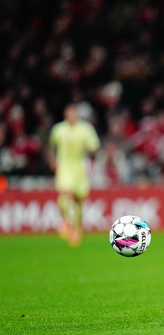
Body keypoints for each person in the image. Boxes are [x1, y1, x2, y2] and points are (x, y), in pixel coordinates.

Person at [49, 104, 101, 246]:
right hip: (65, 167)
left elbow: (95, 147)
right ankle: (66, 220)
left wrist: (87, 148)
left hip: (80, 168)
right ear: (66, 115)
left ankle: (76, 228)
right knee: (66, 194)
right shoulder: (58, 129)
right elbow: (52, 145)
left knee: (78, 200)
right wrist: (52, 160)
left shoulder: (86, 129)